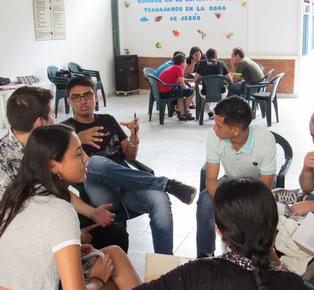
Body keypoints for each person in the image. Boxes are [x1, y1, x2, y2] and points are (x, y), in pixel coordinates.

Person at [63, 76, 196, 255]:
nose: (83, 101)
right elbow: (62, 167)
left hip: (127, 186)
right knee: (95, 162)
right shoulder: (66, 131)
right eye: (76, 97)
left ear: (96, 96)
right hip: (100, 193)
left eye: (87, 95)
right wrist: (79, 138)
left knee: (160, 200)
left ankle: (164, 263)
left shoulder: (108, 120)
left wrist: (133, 136)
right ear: (69, 101)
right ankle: (166, 183)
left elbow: (129, 155)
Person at [0, 125, 140, 290]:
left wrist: (69, 251)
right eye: (78, 153)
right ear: (53, 165)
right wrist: (98, 279)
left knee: (113, 256)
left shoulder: (16, 195)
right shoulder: (60, 211)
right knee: (110, 272)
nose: (86, 158)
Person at [0, 86, 128, 251]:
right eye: (52, 114)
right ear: (39, 123)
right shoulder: (6, 165)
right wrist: (69, 232)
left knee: (115, 235)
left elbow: (55, 189)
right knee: (110, 242)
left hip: (53, 214)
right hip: (26, 238)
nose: (54, 119)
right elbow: (16, 223)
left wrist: (92, 213)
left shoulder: (40, 145)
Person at [132, 177, 304, 290]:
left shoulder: (198, 273)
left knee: (116, 254)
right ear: (274, 225)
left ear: (219, 231)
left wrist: (103, 279)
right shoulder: (293, 283)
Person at [196, 96, 276, 257]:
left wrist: (240, 205)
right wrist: (226, 201)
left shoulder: (265, 140)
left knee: (254, 211)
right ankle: (205, 255)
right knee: (205, 201)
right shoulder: (215, 137)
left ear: (235, 130)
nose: (214, 129)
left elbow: (265, 186)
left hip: (256, 187)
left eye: (218, 125)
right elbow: (211, 179)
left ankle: (252, 254)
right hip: (230, 182)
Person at [194, 48, 233, 120]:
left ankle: (209, 111)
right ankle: (218, 110)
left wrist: (205, 81)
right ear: (216, 56)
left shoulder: (201, 63)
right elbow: (230, 80)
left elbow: (196, 80)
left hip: (205, 93)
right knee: (226, 89)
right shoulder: (222, 63)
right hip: (221, 93)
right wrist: (221, 81)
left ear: (206, 56)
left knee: (195, 90)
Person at [158, 53, 195, 121]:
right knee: (191, 92)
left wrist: (189, 80)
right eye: (185, 62)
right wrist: (190, 86)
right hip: (166, 92)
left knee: (180, 93)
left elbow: (179, 80)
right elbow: (183, 85)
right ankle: (184, 112)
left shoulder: (174, 66)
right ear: (182, 63)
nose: (185, 64)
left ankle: (182, 113)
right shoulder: (179, 69)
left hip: (163, 90)